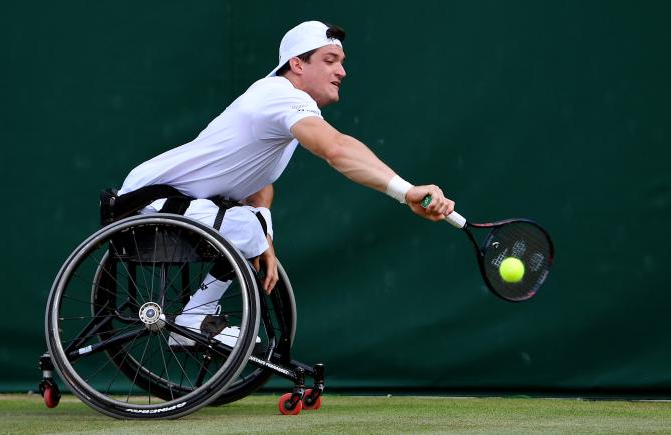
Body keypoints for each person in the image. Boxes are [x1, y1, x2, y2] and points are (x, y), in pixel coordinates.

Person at [117, 21, 455, 346]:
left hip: (185, 204)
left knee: (254, 224)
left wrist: (263, 238)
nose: (342, 71)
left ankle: (196, 313)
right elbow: (336, 149)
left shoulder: (280, 105)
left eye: (341, 62)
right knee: (248, 227)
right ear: (297, 64)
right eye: (330, 60)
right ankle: (193, 318)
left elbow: (258, 183)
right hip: (148, 198)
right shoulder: (279, 95)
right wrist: (406, 191)